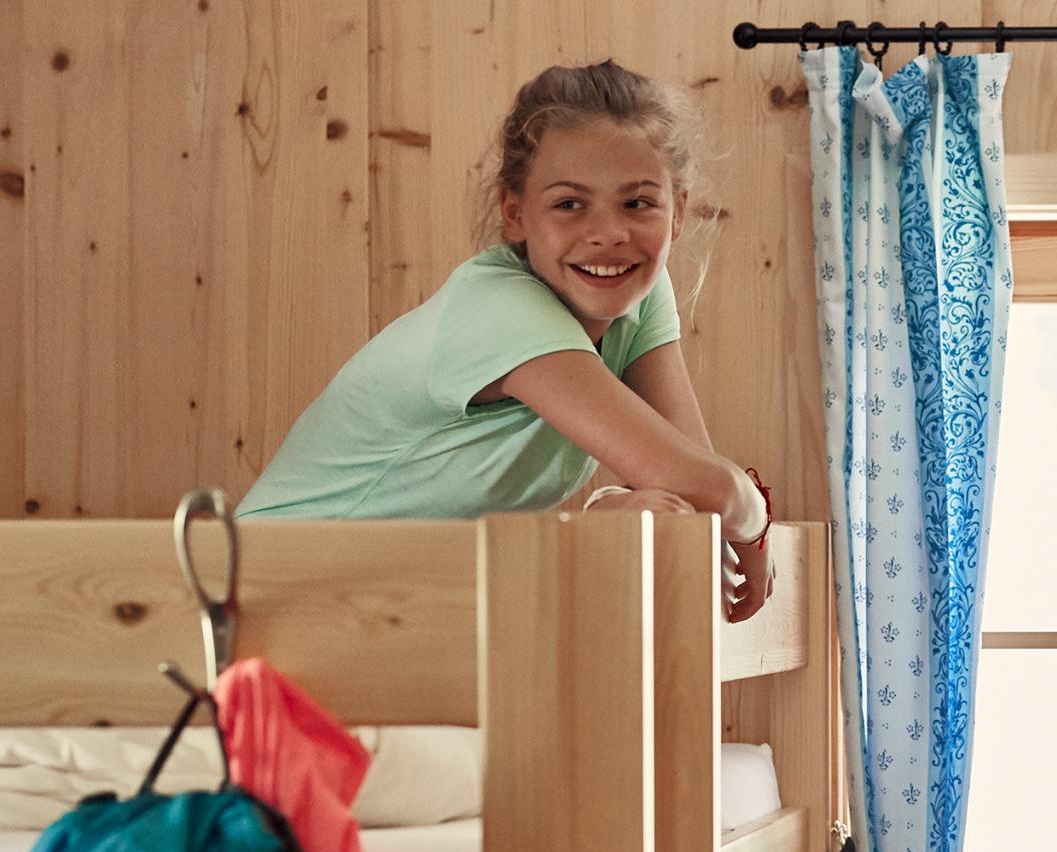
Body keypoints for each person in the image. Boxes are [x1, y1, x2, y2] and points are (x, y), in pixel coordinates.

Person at [239, 60, 771, 620]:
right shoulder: (502, 312)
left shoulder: (636, 292)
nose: (609, 234)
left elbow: (688, 481)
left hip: (396, 604)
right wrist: (750, 513)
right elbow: (707, 487)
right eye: (569, 204)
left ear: (678, 211)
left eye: (638, 203)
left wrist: (645, 506)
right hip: (269, 594)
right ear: (515, 213)